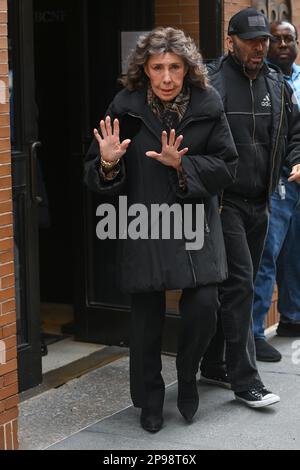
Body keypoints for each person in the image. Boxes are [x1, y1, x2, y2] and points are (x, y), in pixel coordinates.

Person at [84, 27, 238, 432]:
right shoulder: (125, 106)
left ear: (187, 69)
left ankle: (187, 377)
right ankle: (150, 401)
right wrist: (108, 163)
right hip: (144, 223)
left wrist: (182, 166)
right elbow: (96, 175)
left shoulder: (209, 104)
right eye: (158, 68)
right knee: (146, 322)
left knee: (205, 307)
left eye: (175, 67)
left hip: (194, 226)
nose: (167, 77)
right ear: (145, 70)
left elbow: (227, 166)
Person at [200, 8, 300, 408]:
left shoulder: (278, 85)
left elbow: (294, 133)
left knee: (239, 284)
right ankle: (247, 381)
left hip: (263, 200)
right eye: (252, 41)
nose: (261, 48)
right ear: (230, 42)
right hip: (223, 203)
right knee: (241, 284)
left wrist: (296, 159)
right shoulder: (209, 84)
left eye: (264, 41)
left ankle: (212, 363)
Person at [253, 21, 300, 362]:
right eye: (277, 39)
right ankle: (254, 332)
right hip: (276, 179)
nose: (283, 44)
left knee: (296, 253)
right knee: (266, 255)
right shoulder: (264, 81)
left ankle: (292, 317)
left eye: (289, 39)